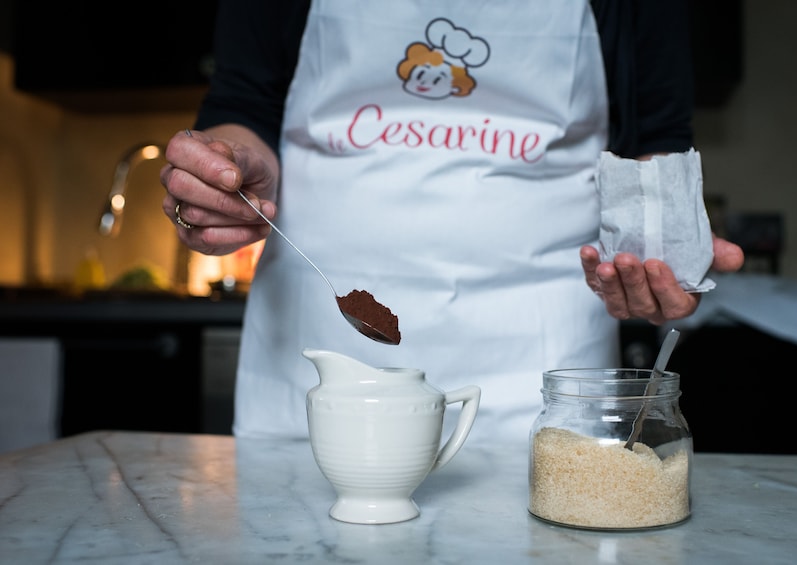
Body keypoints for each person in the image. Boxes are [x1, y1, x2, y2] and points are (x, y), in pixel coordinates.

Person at [160, 0, 745, 445]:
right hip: (318, 351)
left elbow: (656, 135)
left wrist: (662, 255)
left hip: (540, 364)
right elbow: (243, 101)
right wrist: (222, 172)